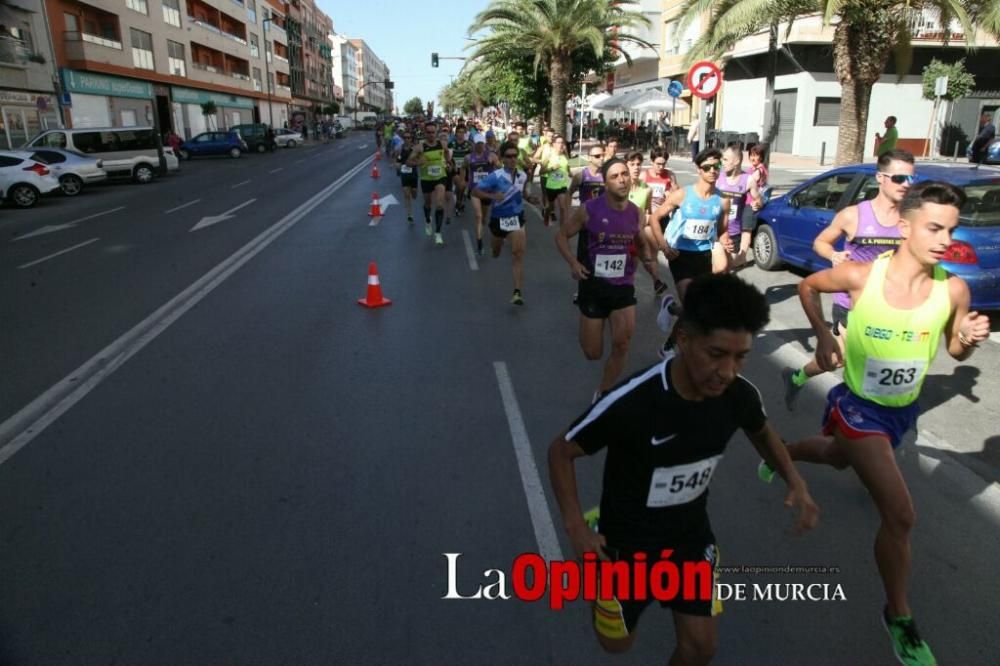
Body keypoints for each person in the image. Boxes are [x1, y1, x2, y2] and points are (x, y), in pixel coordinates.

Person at [761, 181, 989, 666]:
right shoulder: (862, 277)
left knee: (835, 458)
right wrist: (823, 336)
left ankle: (780, 450)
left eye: (951, 229)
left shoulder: (953, 288)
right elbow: (806, 285)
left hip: (901, 409)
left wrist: (966, 339)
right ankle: (898, 615)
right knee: (901, 515)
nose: (945, 238)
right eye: (933, 227)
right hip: (858, 407)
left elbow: (953, 349)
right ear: (904, 226)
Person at [548, 273, 819, 663]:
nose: (727, 370)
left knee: (700, 648)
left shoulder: (738, 394)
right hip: (626, 541)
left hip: (690, 537)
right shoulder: (634, 401)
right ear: (684, 339)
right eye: (716, 354)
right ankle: (596, 535)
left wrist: (794, 479)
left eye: (740, 356)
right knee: (616, 644)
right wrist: (574, 527)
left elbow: (761, 431)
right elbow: (561, 451)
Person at [782, 149, 915, 409]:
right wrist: (833, 255)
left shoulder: (909, 220)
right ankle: (853, 416)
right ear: (881, 178)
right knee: (863, 359)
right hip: (851, 302)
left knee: (838, 359)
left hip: (890, 304)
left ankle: (797, 378)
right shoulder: (854, 215)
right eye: (900, 178)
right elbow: (820, 242)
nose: (907, 185)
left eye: (912, 179)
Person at [556, 159, 651, 399]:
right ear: (605, 184)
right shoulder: (589, 209)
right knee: (592, 352)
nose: (622, 180)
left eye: (625, 175)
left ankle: (604, 392)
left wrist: (645, 260)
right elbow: (561, 236)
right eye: (615, 176)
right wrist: (574, 263)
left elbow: (638, 242)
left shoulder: (636, 212)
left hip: (623, 287)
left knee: (622, 343)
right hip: (593, 286)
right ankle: (587, 319)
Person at [472, 142, 540, 305]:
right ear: (502, 159)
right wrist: (493, 197)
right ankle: (496, 246)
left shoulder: (522, 175)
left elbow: (523, 194)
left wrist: (530, 198)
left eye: (515, 156)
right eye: (508, 156)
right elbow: (475, 191)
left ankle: (517, 292)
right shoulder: (495, 176)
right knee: (496, 252)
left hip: (516, 218)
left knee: (518, 254)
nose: (512, 159)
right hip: (498, 220)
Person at [713, 144, 762, 273]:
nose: (722, 163)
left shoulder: (748, 180)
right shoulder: (718, 176)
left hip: (734, 233)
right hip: (716, 230)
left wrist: (757, 204)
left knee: (729, 267)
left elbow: (758, 199)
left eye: (725, 159)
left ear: (736, 161)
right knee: (719, 267)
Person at [409, 121, 449, 245]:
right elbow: (408, 162)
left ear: (436, 132)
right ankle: (427, 220)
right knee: (428, 204)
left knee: (440, 204)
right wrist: (418, 162)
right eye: (429, 132)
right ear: (425, 133)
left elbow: (447, 153)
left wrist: (448, 162)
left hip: (440, 177)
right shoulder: (419, 147)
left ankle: (438, 233)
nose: (431, 135)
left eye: (433, 132)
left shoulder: (442, 144)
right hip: (426, 179)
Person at [467, 138, 500, 256]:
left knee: (484, 218)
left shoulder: (491, 155)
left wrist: (495, 162)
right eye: (478, 144)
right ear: (474, 144)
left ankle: (481, 229)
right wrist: (462, 181)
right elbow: (462, 169)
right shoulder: (469, 157)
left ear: (484, 144)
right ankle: (479, 242)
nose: (480, 146)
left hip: (487, 191)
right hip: (475, 190)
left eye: (481, 143)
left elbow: (500, 168)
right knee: (478, 216)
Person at [541, 135, 571, 228]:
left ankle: (562, 229)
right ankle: (547, 214)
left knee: (563, 208)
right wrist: (552, 168)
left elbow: (567, 166)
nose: (561, 145)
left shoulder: (565, 155)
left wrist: (570, 172)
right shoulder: (549, 156)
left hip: (562, 186)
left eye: (562, 142)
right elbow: (541, 171)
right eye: (559, 143)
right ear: (554, 144)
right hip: (551, 186)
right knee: (550, 207)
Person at [396, 131, 418, 224]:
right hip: (404, 174)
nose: (407, 139)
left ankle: (414, 192)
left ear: (411, 139)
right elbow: (397, 161)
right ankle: (409, 214)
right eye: (405, 137)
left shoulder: (415, 149)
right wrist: (398, 166)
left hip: (413, 174)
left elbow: (420, 159)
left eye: (409, 137)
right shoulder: (400, 149)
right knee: (406, 194)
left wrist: (414, 163)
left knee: (414, 194)